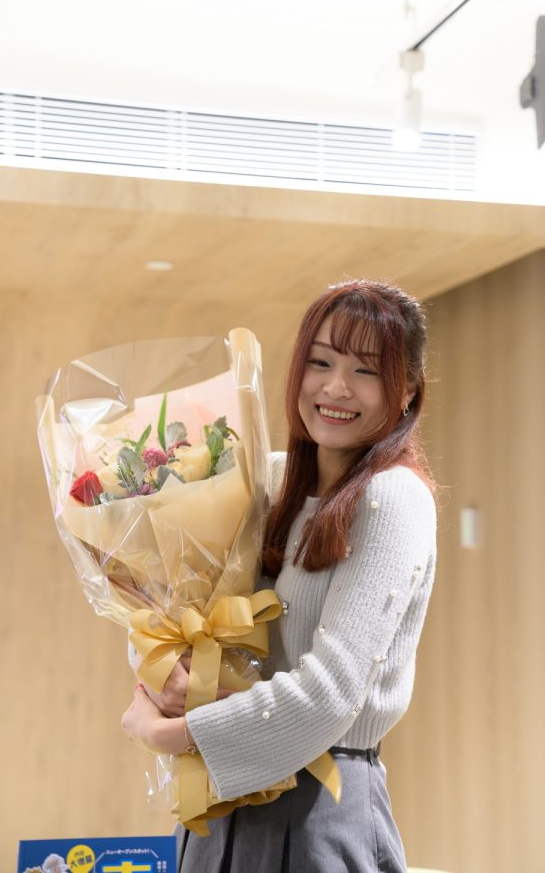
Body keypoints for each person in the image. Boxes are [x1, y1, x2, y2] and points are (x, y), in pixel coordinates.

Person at [121, 280, 437, 872]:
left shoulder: (393, 498)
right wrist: (161, 673)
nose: (336, 387)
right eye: (321, 362)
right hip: (217, 800)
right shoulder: (264, 479)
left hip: (320, 805)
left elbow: (331, 691)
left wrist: (176, 734)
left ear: (406, 391)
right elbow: (171, 604)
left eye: (366, 370)